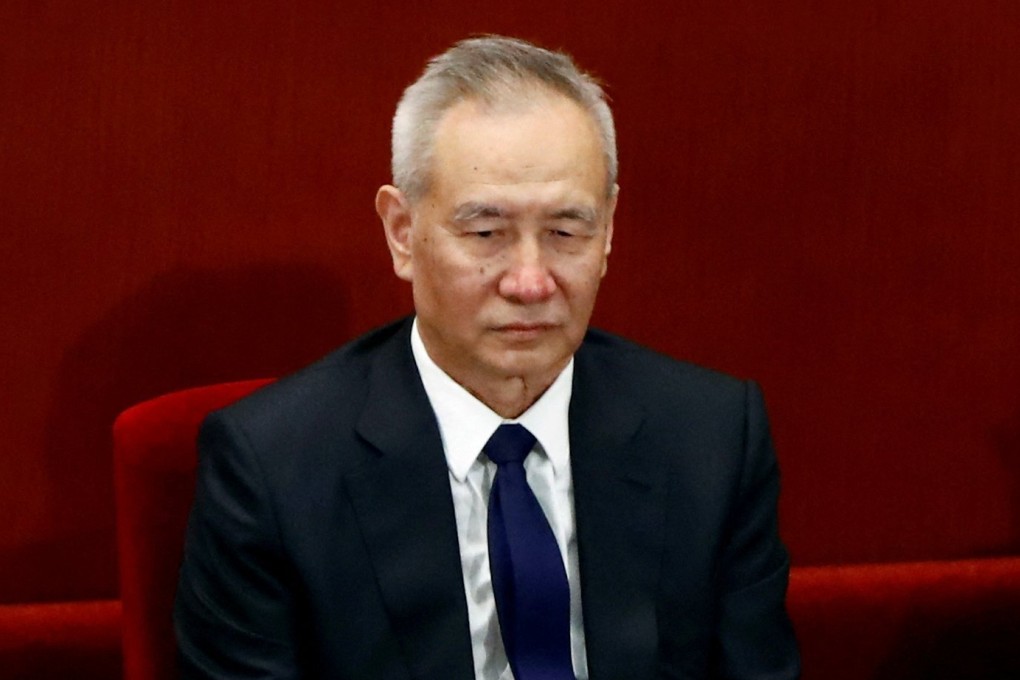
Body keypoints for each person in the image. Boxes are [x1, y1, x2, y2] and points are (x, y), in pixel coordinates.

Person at [174, 35, 800, 680]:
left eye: (565, 232)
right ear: (402, 232)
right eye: (485, 233)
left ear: (609, 229)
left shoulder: (711, 438)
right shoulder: (274, 468)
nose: (530, 282)